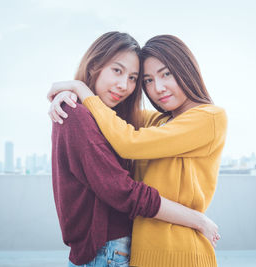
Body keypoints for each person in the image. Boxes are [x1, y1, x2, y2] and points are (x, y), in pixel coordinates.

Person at [49, 32, 220, 267]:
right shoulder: (158, 122)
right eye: (148, 80)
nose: (158, 88)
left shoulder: (209, 117)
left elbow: (127, 141)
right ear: (94, 65)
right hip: (137, 252)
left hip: (181, 253)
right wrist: (71, 92)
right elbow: (112, 120)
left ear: (186, 68)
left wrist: (80, 89)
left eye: (166, 74)